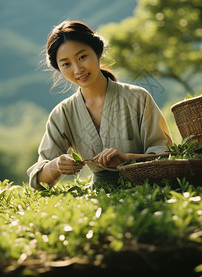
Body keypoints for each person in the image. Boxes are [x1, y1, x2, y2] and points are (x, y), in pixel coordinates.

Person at [27, 20, 173, 190]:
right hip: (100, 199)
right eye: (66, 64)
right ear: (59, 68)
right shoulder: (63, 113)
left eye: (82, 57)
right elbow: (38, 182)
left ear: (97, 52)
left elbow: (166, 157)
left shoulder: (138, 98)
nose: (77, 69)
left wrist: (126, 159)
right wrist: (56, 166)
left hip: (150, 191)